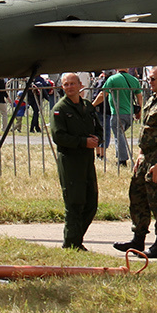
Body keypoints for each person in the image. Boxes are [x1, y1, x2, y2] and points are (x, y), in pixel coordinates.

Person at [113, 65, 157, 259]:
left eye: (153, 79)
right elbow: (146, 130)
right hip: (146, 156)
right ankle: (138, 238)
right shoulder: (153, 100)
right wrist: (139, 155)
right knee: (138, 196)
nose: (149, 82)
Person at [50, 73, 102, 250]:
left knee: (91, 202)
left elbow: (98, 128)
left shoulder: (87, 106)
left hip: (87, 160)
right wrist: (82, 142)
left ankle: (76, 239)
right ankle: (71, 242)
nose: (70, 87)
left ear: (81, 85)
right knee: (74, 202)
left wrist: (97, 139)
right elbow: (59, 136)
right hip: (70, 161)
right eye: (66, 84)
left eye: (73, 83)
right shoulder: (60, 109)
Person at [93, 67, 141, 166]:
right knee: (121, 135)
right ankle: (121, 157)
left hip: (117, 113)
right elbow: (139, 96)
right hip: (129, 114)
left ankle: (122, 160)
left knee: (118, 136)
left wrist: (92, 105)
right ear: (127, 68)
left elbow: (103, 94)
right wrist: (139, 110)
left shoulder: (112, 79)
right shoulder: (134, 80)